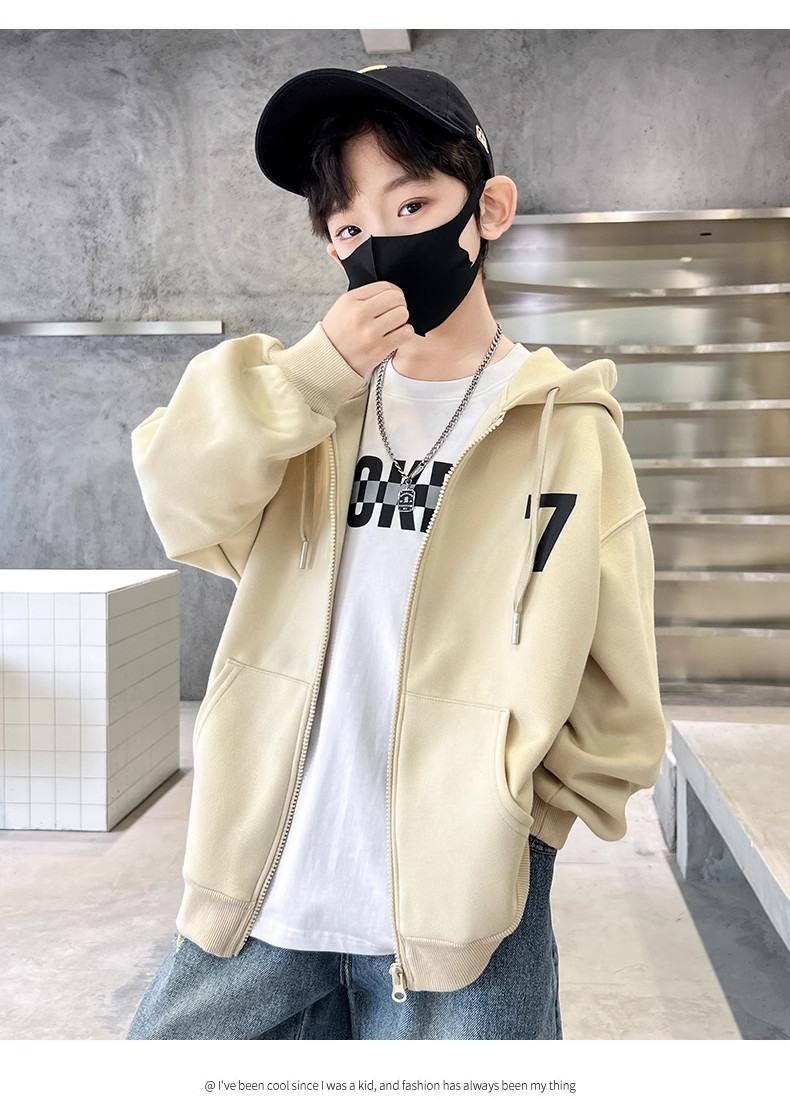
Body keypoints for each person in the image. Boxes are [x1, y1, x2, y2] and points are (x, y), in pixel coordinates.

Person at [125, 64, 666, 1041]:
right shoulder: (300, 407)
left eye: (411, 205)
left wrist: (525, 827)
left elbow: (618, 683)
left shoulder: (570, 432)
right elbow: (179, 497)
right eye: (346, 228)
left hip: (465, 920)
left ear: (488, 210)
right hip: (263, 891)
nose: (376, 246)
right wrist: (310, 377)